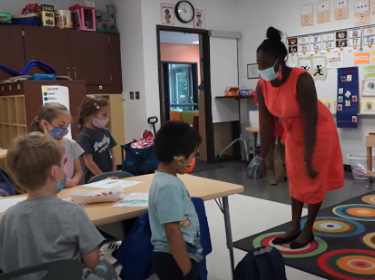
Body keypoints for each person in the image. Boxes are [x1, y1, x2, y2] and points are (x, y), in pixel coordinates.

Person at [256, 27, 344, 249]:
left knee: (312, 179)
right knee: (295, 179)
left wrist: (309, 157)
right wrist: (263, 157)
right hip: (293, 132)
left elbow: (312, 122)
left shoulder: (301, 79)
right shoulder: (262, 85)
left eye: (266, 64)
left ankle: (308, 229)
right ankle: (294, 226)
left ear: (280, 60)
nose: (263, 69)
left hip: (317, 131)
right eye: (259, 65)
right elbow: (266, 124)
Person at [0, 132, 117, 280]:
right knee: (105, 266)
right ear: (55, 172)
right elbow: (93, 261)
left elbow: (6, 265)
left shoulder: (8, 217)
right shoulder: (73, 212)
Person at [149, 121, 202, 280]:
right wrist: (187, 270)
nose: (194, 161)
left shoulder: (166, 180)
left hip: (175, 256)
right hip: (174, 259)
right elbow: (172, 232)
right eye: (193, 156)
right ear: (180, 160)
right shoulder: (168, 186)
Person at [29, 103, 83, 187]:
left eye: (67, 126)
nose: (64, 130)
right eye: (61, 125)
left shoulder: (71, 145)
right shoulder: (36, 148)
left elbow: (78, 171)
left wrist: (74, 181)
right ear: (45, 124)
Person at [78, 95, 117, 183]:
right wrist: (104, 178)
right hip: (95, 180)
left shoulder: (105, 131)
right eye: (104, 115)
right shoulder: (84, 136)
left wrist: (114, 172)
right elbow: (89, 162)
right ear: (92, 114)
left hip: (110, 178)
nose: (107, 118)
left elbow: (112, 153)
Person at [254, 91, 286, 185]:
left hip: (281, 119)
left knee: (284, 147)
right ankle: (271, 173)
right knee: (269, 147)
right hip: (268, 120)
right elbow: (258, 104)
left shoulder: (281, 82)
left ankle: (285, 172)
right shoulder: (262, 83)